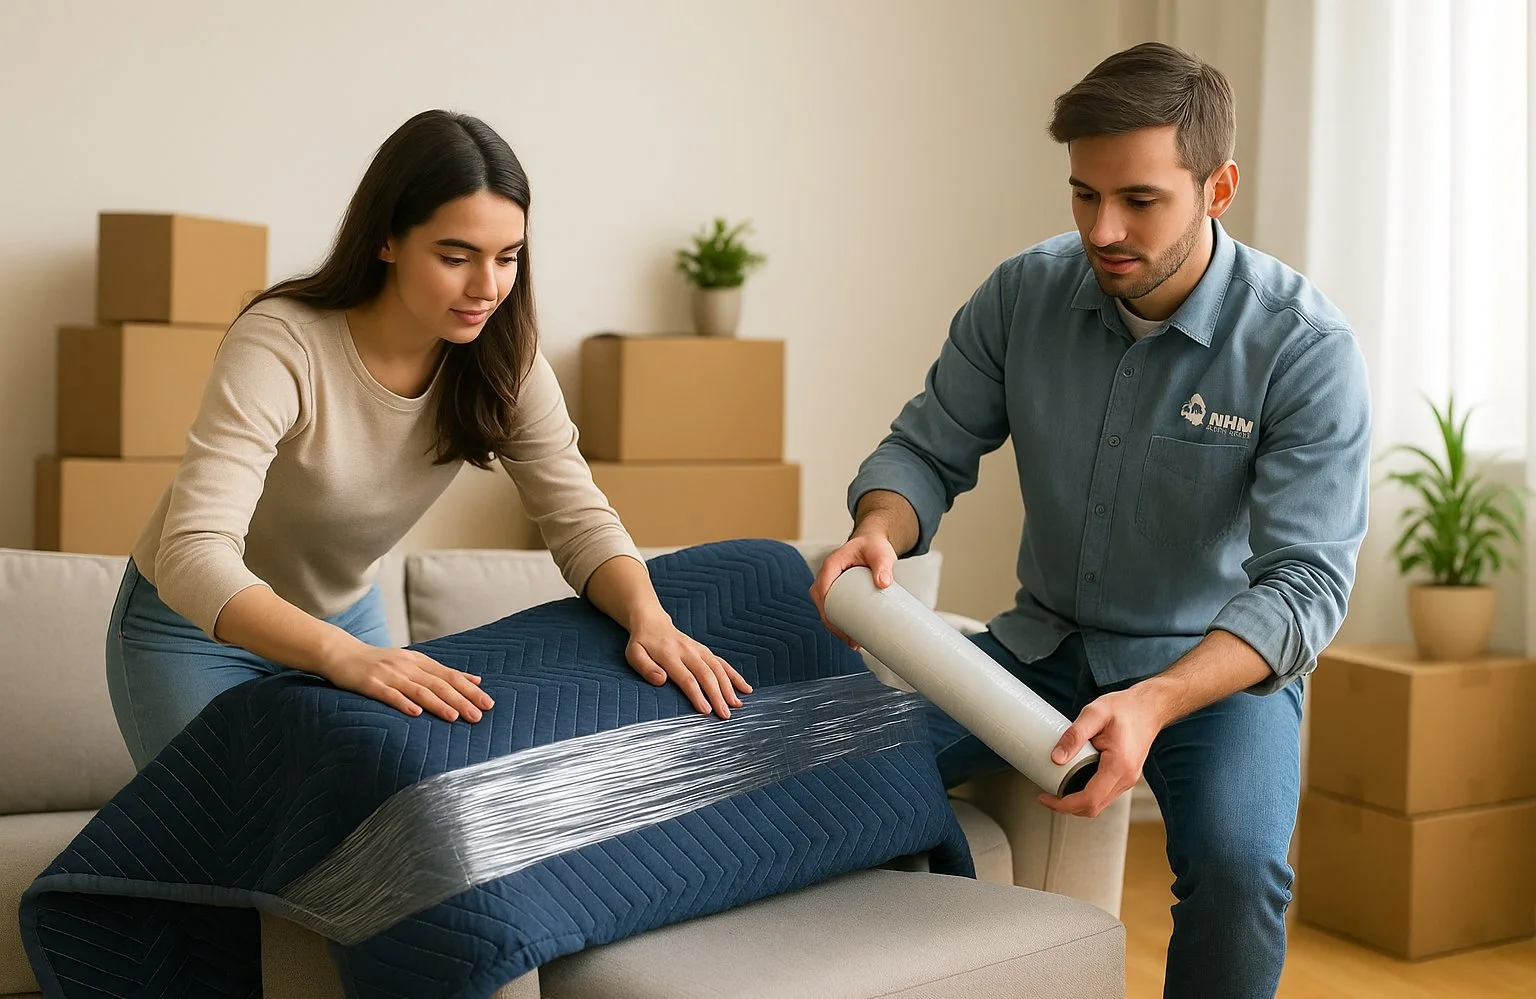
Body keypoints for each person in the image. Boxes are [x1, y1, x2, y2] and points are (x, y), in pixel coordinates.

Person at [810, 42, 1369, 999]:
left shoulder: (1303, 347)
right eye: (1082, 195)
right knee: (825, 781)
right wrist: (881, 526)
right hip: (1038, 648)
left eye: (1140, 200)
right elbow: (924, 450)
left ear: (1218, 186)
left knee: (1240, 871)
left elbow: (1307, 585)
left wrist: (1153, 702)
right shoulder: (1023, 293)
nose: (1103, 228)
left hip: (1210, 672)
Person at [106, 110, 752, 771]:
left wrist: (650, 619)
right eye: (456, 256)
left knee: (382, 831)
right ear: (387, 239)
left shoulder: (506, 358)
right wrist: (342, 656)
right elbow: (193, 554)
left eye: (508, 258)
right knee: (223, 841)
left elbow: (578, 517)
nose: (487, 288)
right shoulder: (282, 342)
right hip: (196, 629)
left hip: (343, 619)